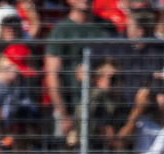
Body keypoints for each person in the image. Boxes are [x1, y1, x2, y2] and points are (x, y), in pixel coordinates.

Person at [43, 0, 118, 142]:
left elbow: (117, 64)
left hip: (105, 109)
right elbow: (52, 76)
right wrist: (63, 113)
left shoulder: (107, 28)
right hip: (73, 107)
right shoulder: (61, 31)